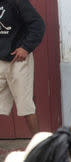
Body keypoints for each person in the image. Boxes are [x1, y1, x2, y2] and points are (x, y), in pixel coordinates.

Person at [0, 0, 45, 135]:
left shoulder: (18, 1)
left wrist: (26, 47)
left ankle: (38, 147)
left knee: (26, 107)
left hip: (18, 61)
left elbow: (38, 24)